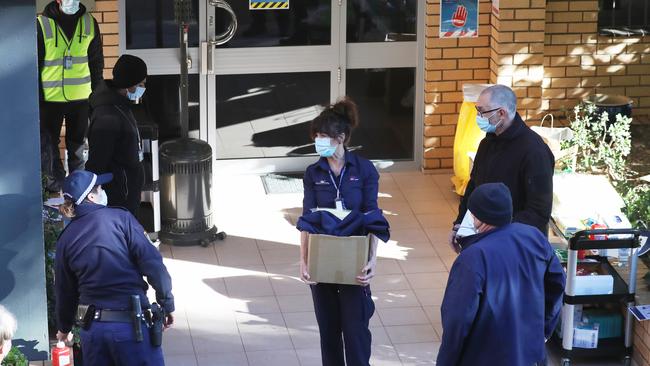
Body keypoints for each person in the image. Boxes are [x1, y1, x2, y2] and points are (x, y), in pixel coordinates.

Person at [437, 183, 565, 366]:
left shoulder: (473, 258)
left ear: (478, 218)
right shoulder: (533, 237)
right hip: (529, 354)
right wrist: (542, 329)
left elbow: (457, 319)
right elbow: (557, 283)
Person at [55, 170, 174, 365]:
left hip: (93, 333)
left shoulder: (66, 239)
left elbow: (64, 290)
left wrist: (64, 328)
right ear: (91, 196)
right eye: (100, 188)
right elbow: (153, 265)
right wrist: (167, 302)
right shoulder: (121, 219)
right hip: (131, 328)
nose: (103, 191)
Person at [299, 98, 380, 366]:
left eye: (323, 136)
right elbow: (307, 218)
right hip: (324, 257)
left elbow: (372, 216)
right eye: (316, 136)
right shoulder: (313, 172)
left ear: (341, 138)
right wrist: (304, 259)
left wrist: (372, 260)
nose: (318, 142)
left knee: (355, 332)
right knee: (328, 331)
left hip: (353, 259)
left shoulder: (364, 170)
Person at [449, 84, 555, 252]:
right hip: (485, 239)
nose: (478, 116)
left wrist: (498, 228)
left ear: (501, 113)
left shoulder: (534, 152)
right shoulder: (487, 143)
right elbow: (474, 187)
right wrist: (460, 224)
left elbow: (539, 212)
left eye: (482, 111)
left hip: (518, 245)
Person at [38, 0, 104, 191]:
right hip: (50, 98)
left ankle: (78, 189)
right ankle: (56, 189)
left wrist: (96, 94)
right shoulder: (42, 24)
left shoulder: (90, 22)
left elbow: (96, 61)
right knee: (49, 145)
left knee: (77, 146)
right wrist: (38, 96)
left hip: (81, 98)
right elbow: (36, 62)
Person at [85, 54, 147, 217]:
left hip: (126, 191)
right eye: (141, 84)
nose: (143, 88)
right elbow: (97, 160)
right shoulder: (108, 116)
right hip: (119, 197)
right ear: (130, 85)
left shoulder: (120, 106)